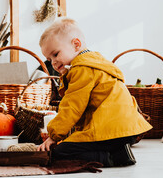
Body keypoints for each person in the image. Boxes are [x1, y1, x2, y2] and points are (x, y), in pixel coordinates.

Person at [37, 18, 152, 167]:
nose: (53, 62)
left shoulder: (81, 69)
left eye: (56, 54)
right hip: (127, 128)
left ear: (76, 44)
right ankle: (117, 150)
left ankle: (113, 157)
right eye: (48, 59)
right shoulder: (95, 62)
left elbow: (72, 106)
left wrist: (54, 135)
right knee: (70, 144)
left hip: (111, 129)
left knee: (60, 152)